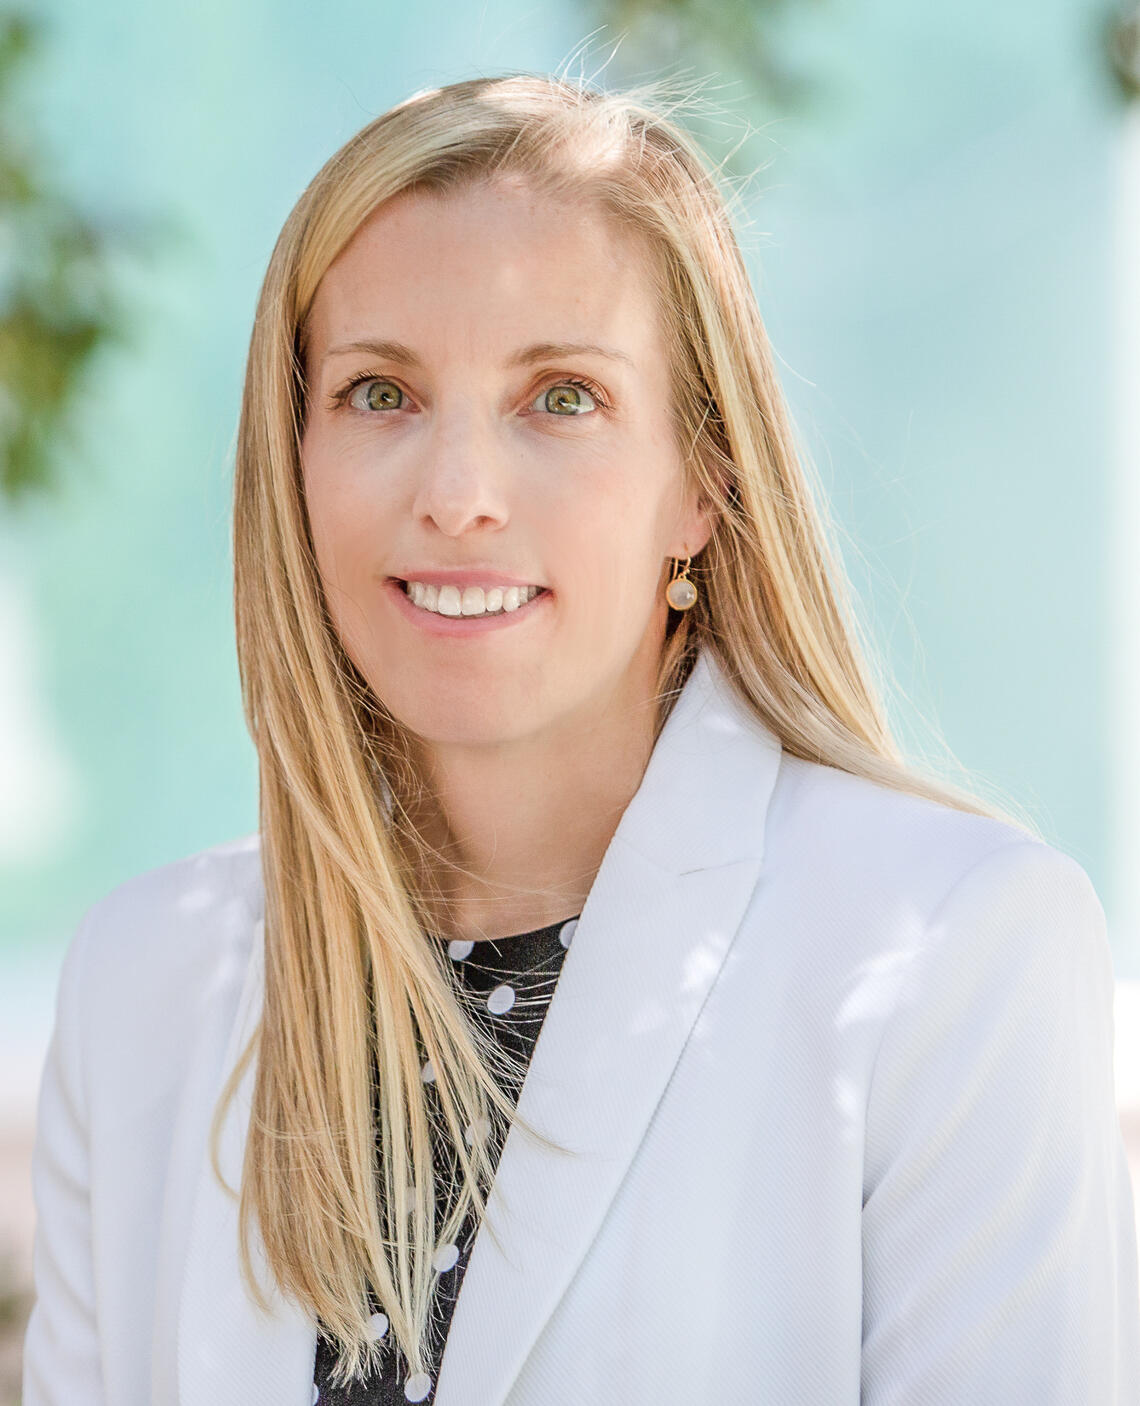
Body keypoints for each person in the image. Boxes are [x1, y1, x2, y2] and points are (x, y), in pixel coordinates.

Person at [22, 72, 1140, 1406]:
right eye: (382, 394)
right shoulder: (141, 984)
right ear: (294, 455)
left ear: (703, 483)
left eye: (561, 397)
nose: (457, 497)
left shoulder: (958, 952)